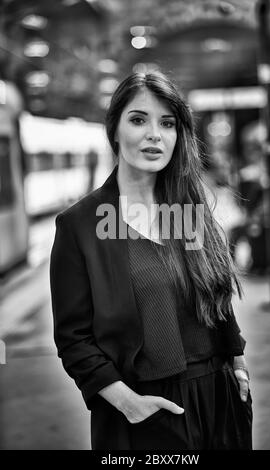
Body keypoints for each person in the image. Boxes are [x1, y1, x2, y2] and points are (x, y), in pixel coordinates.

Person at [50, 71, 252, 451]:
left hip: (220, 398)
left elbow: (217, 299)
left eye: (167, 123)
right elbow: (73, 338)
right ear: (114, 130)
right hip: (144, 412)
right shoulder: (80, 225)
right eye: (139, 119)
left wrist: (237, 363)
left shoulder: (190, 210)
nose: (155, 134)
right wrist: (129, 404)